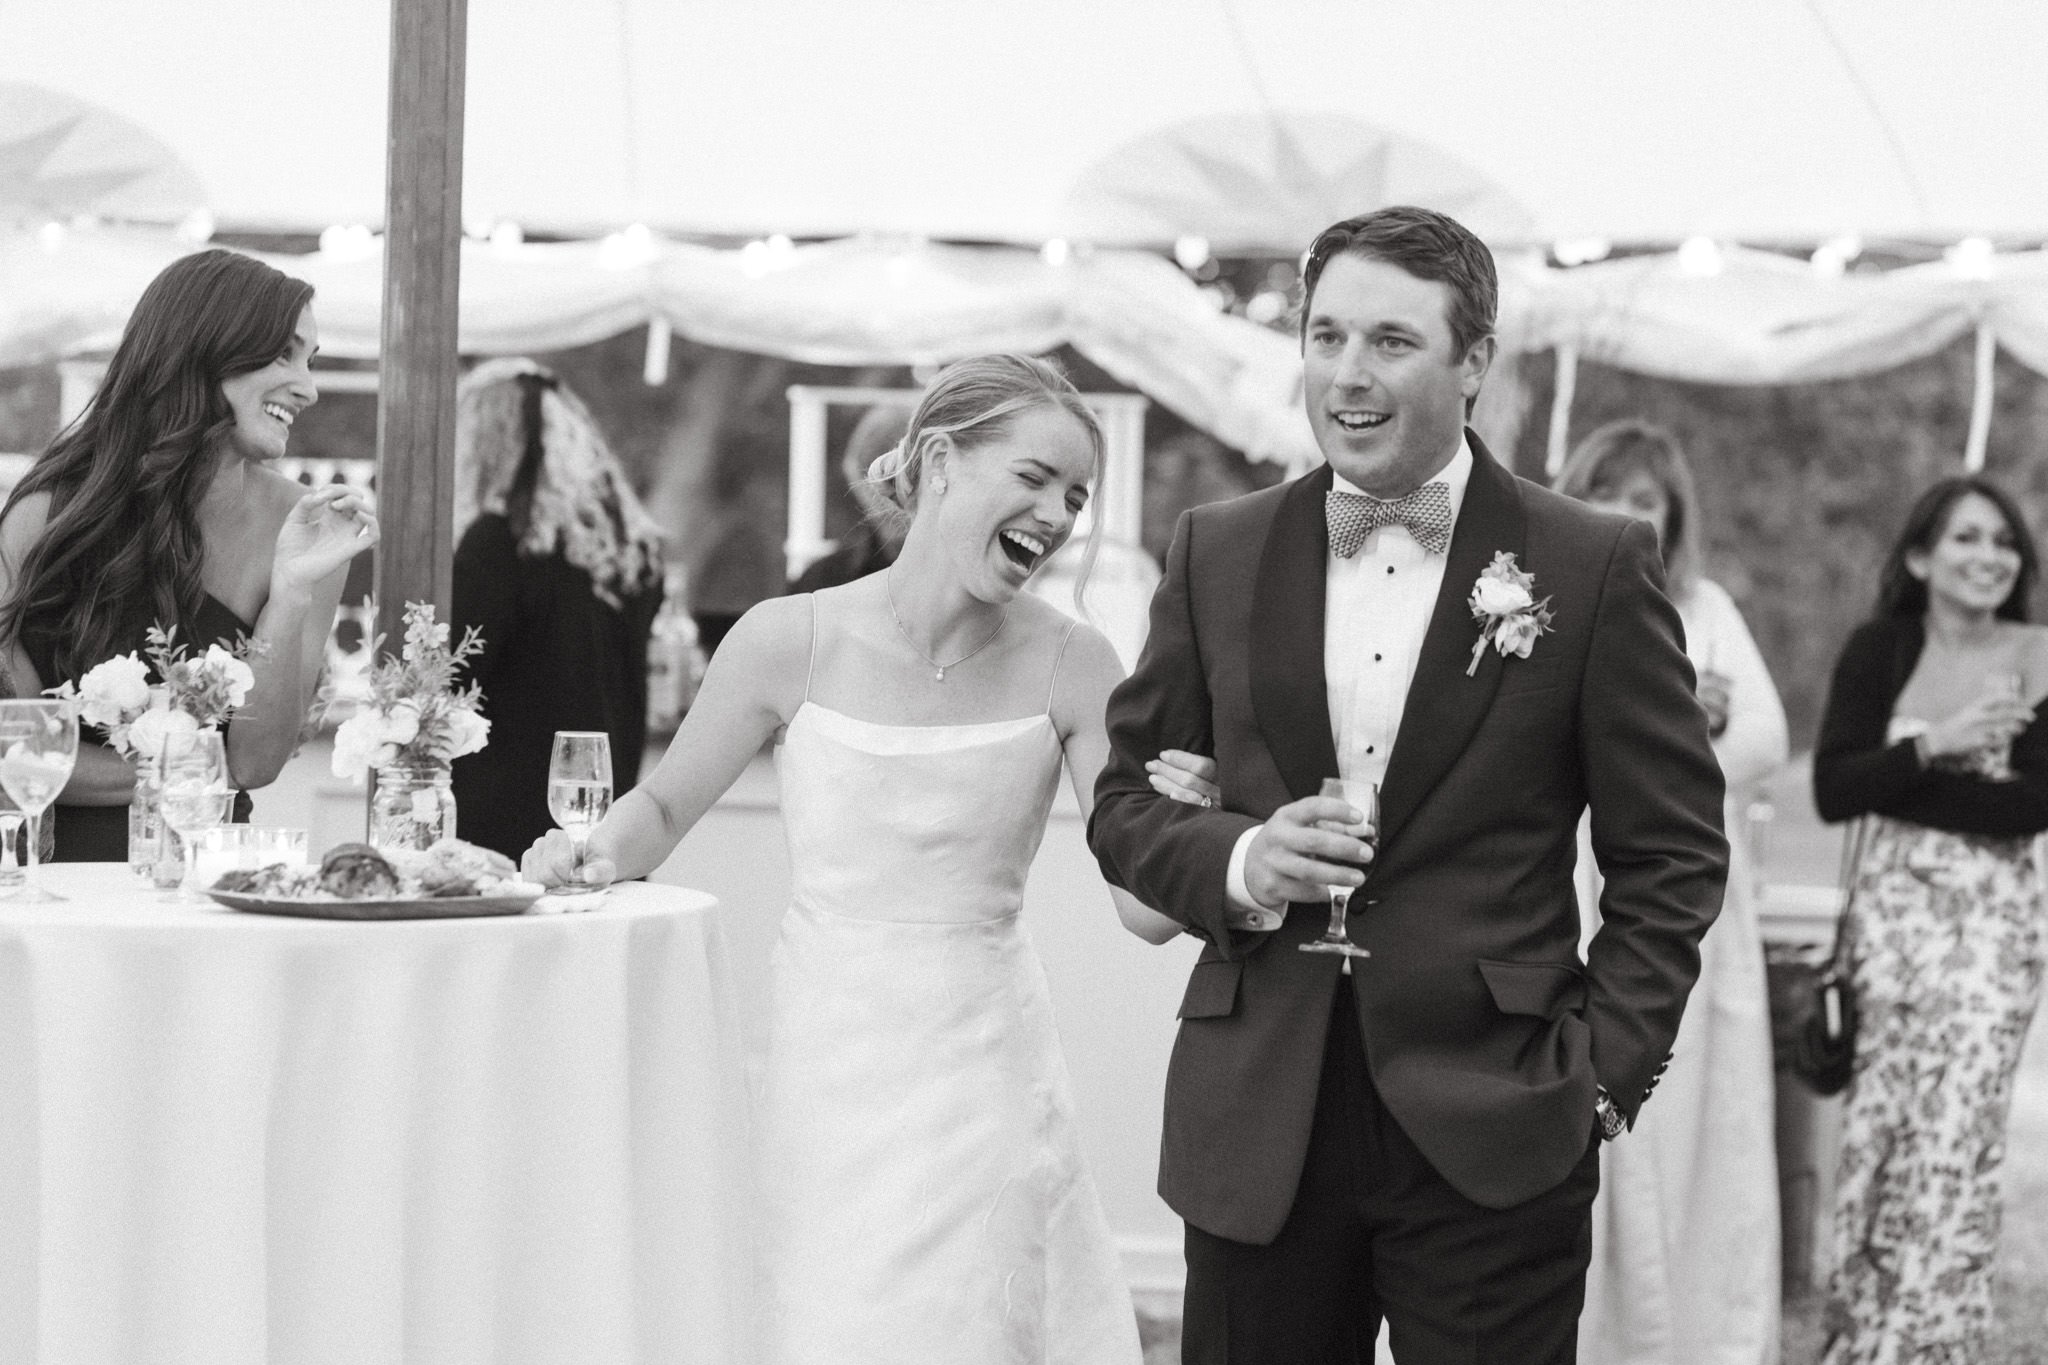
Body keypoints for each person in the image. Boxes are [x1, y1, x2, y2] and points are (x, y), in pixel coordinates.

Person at [1088, 206, 1729, 1364]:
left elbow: (1672, 854)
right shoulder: (1214, 548)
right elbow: (1122, 803)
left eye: (1390, 341)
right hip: (1256, 1115)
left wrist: (1596, 1080)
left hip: (1497, 1116)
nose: (1347, 374)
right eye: (1324, 337)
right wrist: (1237, 859)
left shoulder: (1589, 564)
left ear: (1472, 361)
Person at [524, 353, 1199, 1365]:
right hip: (826, 1056)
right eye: (1032, 477)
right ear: (937, 461)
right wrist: (579, 854)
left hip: (987, 1068)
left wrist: (1195, 821)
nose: (1057, 514)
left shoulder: (1075, 661)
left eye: (1074, 494)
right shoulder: (781, 638)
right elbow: (661, 806)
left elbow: (1142, 909)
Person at [0, 248, 376, 859]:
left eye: (310, 360)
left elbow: (254, 763)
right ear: (203, 351)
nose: (307, 387)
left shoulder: (305, 529)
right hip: (50, 886)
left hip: (204, 889)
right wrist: (195, 769)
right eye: (283, 353)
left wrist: (289, 592)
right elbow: (12, 754)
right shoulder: (44, 518)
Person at [1556, 420, 1787, 1365]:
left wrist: (1664, 752)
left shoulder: (1709, 609)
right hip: (1574, 877)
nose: (1626, 512)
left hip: (1691, 894)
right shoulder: (1543, 597)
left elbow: (1764, 740)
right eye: (1607, 490)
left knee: (1697, 1117)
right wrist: (1674, 721)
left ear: (1673, 515)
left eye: (1645, 499)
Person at [1811, 476, 2048, 1365]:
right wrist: (1938, 745)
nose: (1990, 556)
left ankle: (1930, 1340)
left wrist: (1905, 777)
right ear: (1920, 556)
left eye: (2004, 541)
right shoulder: (1882, 647)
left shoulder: (2037, 653)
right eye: (1966, 539)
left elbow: (2031, 806)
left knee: (1960, 1130)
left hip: (1994, 933)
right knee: (1884, 1126)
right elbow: (1836, 787)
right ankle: (1863, 1330)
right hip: (1892, 930)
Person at [448, 359, 665, 861]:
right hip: (601, 817)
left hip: (502, 831)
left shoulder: (498, 545)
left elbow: (449, 681)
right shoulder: (631, 552)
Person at [787, 404, 909, 593]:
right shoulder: (822, 579)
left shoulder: (822, 578)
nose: (892, 489)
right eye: (880, 472)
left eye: (905, 472)